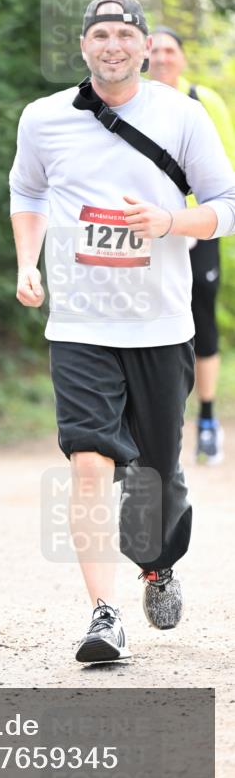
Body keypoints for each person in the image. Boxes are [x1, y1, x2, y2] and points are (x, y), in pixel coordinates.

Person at [9, 0, 235, 663]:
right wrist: (27, 262)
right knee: (87, 464)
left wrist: (167, 222)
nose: (111, 44)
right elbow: (26, 192)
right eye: (99, 34)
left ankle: (157, 565)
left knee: (153, 478)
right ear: (82, 46)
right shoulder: (43, 118)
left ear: (143, 47)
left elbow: (225, 205)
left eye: (123, 34)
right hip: (78, 323)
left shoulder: (182, 116)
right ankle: (102, 614)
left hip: (160, 324)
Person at [149, 27, 235, 464]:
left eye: (169, 50)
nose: (161, 57)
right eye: (154, 50)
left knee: (201, 314)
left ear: (182, 58)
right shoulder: (133, 102)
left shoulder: (205, 101)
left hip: (196, 226)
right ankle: (158, 420)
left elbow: (226, 169)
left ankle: (206, 419)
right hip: (145, 230)